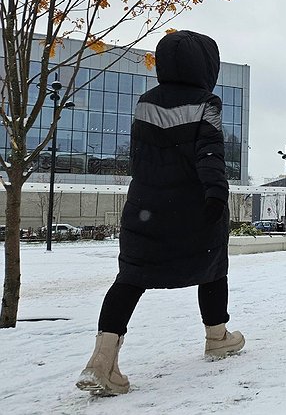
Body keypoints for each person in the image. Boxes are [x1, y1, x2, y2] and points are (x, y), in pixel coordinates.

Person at [76, 30, 244, 397]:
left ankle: (102, 360)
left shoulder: (145, 103)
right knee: (213, 266)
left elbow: (141, 158)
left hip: (145, 207)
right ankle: (217, 336)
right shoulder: (207, 103)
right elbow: (210, 153)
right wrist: (215, 194)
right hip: (191, 205)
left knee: (131, 278)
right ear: (206, 65)